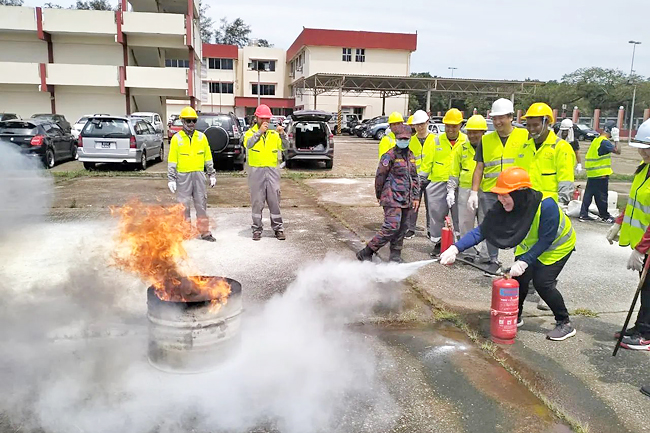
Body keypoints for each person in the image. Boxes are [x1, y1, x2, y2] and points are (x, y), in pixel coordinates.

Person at [440, 166, 577, 341]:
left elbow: (546, 239)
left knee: (543, 283)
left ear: (520, 193)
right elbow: (483, 230)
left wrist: (524, 262)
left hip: (557, 247)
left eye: (505, 194)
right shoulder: (505, 206)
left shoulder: (546, 205)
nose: (501, 199)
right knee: (519, 280)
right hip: (530, 245)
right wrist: (456, 248)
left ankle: (564, 322)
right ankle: (515, 315)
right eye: (499, 194)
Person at [468, 98, 529, 274]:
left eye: (501, 118)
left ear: (511, 117)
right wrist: (474, 192)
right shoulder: (486, 141)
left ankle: (521, 261)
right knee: (491, 225)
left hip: (516, 191)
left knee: (521, 226)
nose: (497, 122)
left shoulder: (524, 136)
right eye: (494, 118)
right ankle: (493, 259)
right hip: (490, 191)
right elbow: (479, 167)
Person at [607, 119, 650, 351]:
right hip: (642, 242)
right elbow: (634, 202)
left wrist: (641, 249)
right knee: (645, 288)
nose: (643, 151)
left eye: (648, 147)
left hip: (647, 244)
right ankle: (641, 325)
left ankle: (646, 334)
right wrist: (619, 222)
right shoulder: (644, 169)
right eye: (641, 146)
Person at [357, 124, 420, 263]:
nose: (404, 141)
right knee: (392, 227)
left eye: (406, 139)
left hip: (406, 199)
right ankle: (367, 251)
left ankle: (395, 255)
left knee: (403, 227)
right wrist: (379, 195)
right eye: (401, 138)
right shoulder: (389, 156)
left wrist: (416, 197)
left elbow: (415, 177)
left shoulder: (410, 156)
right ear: (396, 138)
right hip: (392, 197)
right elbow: (380, 176)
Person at [167, 106, 217, 242]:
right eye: (188, 121)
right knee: (183, 205)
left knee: (201, 204)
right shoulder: (177, 139)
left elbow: (208, 157)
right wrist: (171, 178)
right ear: (182, 121)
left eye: (193, 120)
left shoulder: (202, 138)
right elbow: (172, 160)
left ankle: (205, 232)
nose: (191, 124)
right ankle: (185, 231)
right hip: (183, 176)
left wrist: (211, 174)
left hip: (199, 176)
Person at [421, 108, 466, 256]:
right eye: (448, 125)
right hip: (438, 181)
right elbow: (427, 163)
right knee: (436, 215)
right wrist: (421, 182)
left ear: (460, 125)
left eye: (454, 126)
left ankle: (460, 245)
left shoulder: (465, 141)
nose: (451, 129)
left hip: (459, 184)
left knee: (460, 216)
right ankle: (439, 243)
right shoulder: (436, 140)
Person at [243, 104, 288, 241]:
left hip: (272, 171)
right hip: (256, 172)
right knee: (257, 201)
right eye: (262, 118)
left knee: (274, 200)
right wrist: (259, 132)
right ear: (256, 118)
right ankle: (257, 229)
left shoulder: (274, 134)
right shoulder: (250, 133)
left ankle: (278, 229)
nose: (265, 121)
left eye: (267, 119)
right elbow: (248, 144)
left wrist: (283, 135)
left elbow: (285, 148)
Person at [447, 114, 488, 262]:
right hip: (465, 190)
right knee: (465, 223)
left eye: (476, 132)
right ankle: (468, 252)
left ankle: (486, 255)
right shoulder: (461, 148)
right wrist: (451, 190)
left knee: (486, 223)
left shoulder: (489, 147)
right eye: (469, 132)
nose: (472, 135)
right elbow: (454, 171)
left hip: (486, 190)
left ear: (483, 132)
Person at [517, 102, 575, 205]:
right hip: (526, 206)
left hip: (549, 206)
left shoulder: (561, 148)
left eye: (535, 125)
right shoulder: (524, 148)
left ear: (546, 122)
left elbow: (566, 181)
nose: (531, 129)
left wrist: (561, 205)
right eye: (528, 125)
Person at [580, 121, 620, 223]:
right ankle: (605, 216)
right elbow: (618, 151)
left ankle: (583, 214)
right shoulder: (604, 142)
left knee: (588, 195)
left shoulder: (596, 140)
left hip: (592, 173)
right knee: (602, 197)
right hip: (601, 174)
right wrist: (616, 139)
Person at [405, 110, 432, 239]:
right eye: (417, 125)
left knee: (431, 206)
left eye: (422, 124)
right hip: (415, 179)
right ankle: (410, 228)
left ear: (427, 122)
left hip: (431, 178)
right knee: (413, 204)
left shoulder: (435, 139)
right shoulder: (411, 141)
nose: (420, 127)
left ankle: (431, 229)